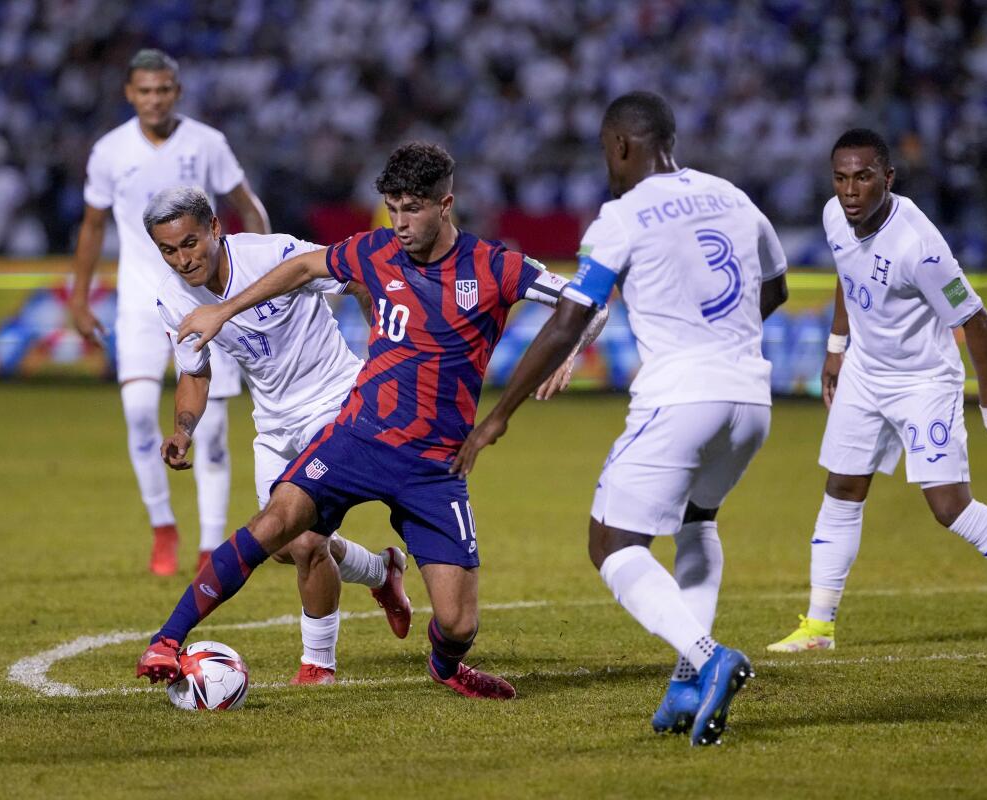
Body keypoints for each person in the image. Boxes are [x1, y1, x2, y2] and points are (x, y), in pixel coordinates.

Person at [136, 142, 606, 699]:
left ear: (445, 205)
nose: (400, 223)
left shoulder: (495, 265)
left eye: (413, 209)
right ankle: (167, 640)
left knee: (458, 623)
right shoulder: (374, 249)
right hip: (356, 436)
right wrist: (223, 314)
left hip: (436, 463)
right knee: (280, 527)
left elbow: (590, 305)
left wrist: (569, 347)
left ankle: (445, 664)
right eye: (392, 209)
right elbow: (304, 268)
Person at [452, 92, 790, 746]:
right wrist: (724, 341)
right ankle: (687, 684)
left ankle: (711, 657)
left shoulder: (623, 214)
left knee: (611, 544)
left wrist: (498, 415)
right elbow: (774, 287)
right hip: (751, 397)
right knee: (697, 519)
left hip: (681, 396)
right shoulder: (733, 197)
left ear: (623, 145)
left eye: (607, 151)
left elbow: (569, 319)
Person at [765, 128, 987, 655]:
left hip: (922, 382)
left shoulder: (919, 247)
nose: (850, 190)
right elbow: (848, 274)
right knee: (843, 487)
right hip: (865, 373)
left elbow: (977, 321)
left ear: (887, 178)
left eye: (862, 178)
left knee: (949, 507)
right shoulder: (836, 215)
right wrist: (836, 346)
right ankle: (818, 628)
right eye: (841, 178)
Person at [145, 186, 412, 685]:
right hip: (272, 423)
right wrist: (183, 428)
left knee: (305, 539)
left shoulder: (276, 254)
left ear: (215, 228)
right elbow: (195, 371)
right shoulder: (171, 297)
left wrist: (384, 347)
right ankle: (381, 572)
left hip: (335, 403)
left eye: (190, 243)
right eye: (168, 250)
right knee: (281, 545)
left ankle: (318, 665)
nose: (183, 260)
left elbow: (355, 277)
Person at [68, 49, 271, 575]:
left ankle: (209, 546)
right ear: (129, 94)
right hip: (139, 298)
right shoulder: (110, 151)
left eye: (163, 90)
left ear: (176, 92)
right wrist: (79, 296)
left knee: (214, 428)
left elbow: (247, 205)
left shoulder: (207, 143)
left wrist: (260, 272)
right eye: (145, 90)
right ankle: (162, 525)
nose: (154, 99)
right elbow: (93, 226)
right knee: (139, 410)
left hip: (204, 299)